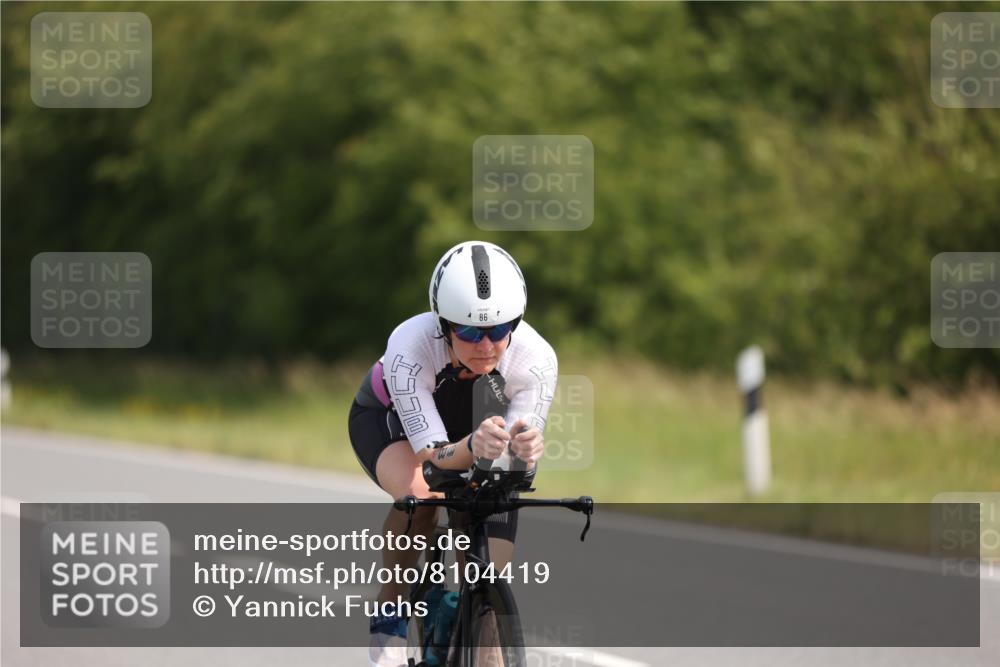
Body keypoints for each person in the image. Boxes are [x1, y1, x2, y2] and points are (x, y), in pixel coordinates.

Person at [348, 240, 558, 667]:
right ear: (443, 324)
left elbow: (515, 454)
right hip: (391, 420)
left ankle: (473, 633)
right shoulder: (410, 345)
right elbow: (432, 457)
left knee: (486, 570)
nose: (486, 345)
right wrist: (472, 446)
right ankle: (391, 612)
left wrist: (526, 449)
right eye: (469, 332)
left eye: (499, 329)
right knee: (422, 498)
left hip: (478, 429)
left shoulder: (535, 358)